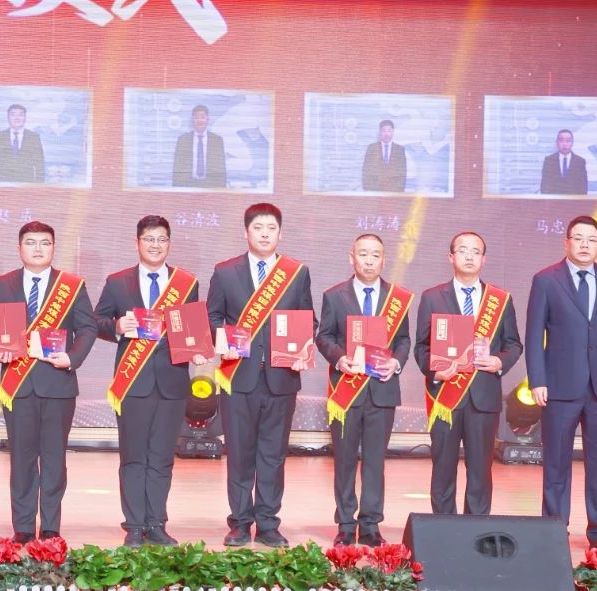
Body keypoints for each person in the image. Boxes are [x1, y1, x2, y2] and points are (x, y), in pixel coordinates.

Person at [207, 202, 314, 548]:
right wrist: (224, 342)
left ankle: (268, 523)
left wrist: (303, 348)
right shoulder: (225, 272)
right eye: (258, 228)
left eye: (271, 228)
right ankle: (240, 522)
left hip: (282, 379)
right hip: (238, 377)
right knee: (239, 453)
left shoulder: (296, 273)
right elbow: (212, 317)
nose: (265, 234)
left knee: (273, 455)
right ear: (246, 232)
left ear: (280, 233)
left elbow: (308, 319)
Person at [525, 215, 597, 551]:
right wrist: (537, 379)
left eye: (591, 240)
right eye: (578, 238)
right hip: (559, 387)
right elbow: (533, 335)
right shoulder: (546, 280)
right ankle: (553, 531)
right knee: (556, 463)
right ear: (567, 242)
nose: (585, 245)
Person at [94, 215, 202, 547]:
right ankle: (134, 526)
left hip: (171, 382)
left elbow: (192, 328)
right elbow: (96, 320)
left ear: (169, 243)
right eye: (149, 239)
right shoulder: (118, 282)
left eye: (162, 239)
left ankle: (156, 523)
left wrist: (199, 349)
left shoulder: (186, 283)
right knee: (133, 456)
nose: (156, 245)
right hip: (132, 383)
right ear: (137, 243)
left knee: (162, 457)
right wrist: (117, 327)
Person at [0, 221, 97, 542]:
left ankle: (50, 526)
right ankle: (23, 527)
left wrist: (72, 358)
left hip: (58, 383)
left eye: (45, 243)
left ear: (53, 247)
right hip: (17, 384)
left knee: (54, 459)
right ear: (19, 248)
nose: (38, 249)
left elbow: (88, 328)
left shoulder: (71, 286)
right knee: (21, 459)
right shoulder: (2, 284)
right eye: (31, 242)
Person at [413, 232, 522, 516]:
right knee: (443, 468)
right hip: (445, 397)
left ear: (484, 259)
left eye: (476, 251)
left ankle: (476, 528)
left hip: (483, 397)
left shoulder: (500, 300)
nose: (469, 256)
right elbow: (421, 347)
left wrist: (499, 362)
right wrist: (436, 370)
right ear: (451, 257)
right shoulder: (432, 297)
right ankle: (444, 526)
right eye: (463, 250)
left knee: (480, 471)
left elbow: (514, 344)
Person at [315, 234, 412, 547]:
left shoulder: (397, 298)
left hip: (381, 390)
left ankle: (370, 525)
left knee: (375, 461)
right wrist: (339, 358)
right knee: (344, 461)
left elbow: (404, 340)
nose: (369, 261)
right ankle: (345, 524)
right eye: (363, 254)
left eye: (375, 255)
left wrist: (396, 362)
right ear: (352, 257)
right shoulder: (334, 296)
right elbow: (324, 336)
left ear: (383, 260)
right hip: (346, 390)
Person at [0, 104, 45, 183]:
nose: (17, 118)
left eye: (20, 115)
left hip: (27, 183)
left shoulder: (34, 137)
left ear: (25, 118)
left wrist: (39, 186)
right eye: (13, 114)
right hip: (4, 183)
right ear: (8, 118)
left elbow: (39, 164)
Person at [172, 104, 227, 188]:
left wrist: (221, 190)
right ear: (192, 120)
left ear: (207, 119)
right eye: (196, 117)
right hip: (188, 186)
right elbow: (177, 168)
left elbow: (221, 169)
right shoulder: (183, 140)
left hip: (211, 187)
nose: (199, 120)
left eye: (202, 117)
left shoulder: (217, 140)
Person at [361, 119, 407, 192]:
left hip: (394, 193)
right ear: (380, 132)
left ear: (393, 132)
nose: (386, 134)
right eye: (384, 131)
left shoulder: (399, 149)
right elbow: (366, 171)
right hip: (375, 192)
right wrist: (369, 190)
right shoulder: (372, 148)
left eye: (389, 131)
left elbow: (402, 174)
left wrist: (398, 192)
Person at [539, 129, 588, 195]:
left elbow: (583, 188)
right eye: (561, 140)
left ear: (572, 143)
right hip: (554, 200)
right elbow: (544, 186)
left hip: (574, 200)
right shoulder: (549, 160)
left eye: (568, 141)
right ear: (557, 143)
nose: (565, 144)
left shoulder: (580, 162)